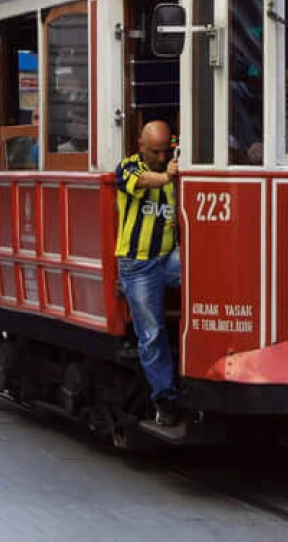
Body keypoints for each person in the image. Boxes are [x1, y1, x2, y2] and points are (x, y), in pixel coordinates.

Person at [115, 120, 182, 425]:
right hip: (137, 263)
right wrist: (166, 175)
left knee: (209, 279)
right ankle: (164, 400)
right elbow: (139, 181)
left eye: (165, 151)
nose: (161, 157)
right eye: (155, 152)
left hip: (168, 257)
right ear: (141, 146)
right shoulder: (128, 167)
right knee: (152, 333)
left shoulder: (174, 165)